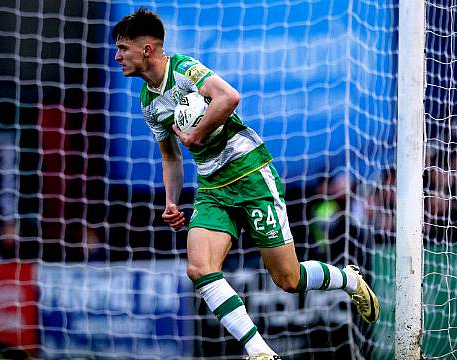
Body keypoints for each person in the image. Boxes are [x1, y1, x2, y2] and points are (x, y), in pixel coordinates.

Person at [112, 8, 380, 359]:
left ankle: (348, 278)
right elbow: (170, 157)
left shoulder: (185, 69)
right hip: (212, 187)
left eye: (123, 48)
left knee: (288, 279)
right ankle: (260, 352)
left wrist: (197, 133)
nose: (117, 57)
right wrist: (171, 201)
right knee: (199, 268)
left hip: (251, 174)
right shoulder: (148, 101)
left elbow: (229, 97)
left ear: (147, 49)